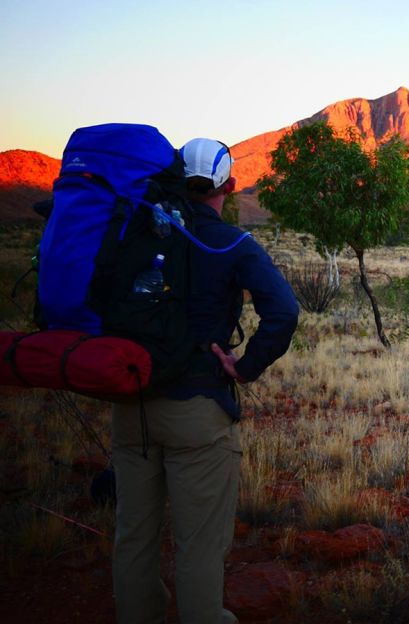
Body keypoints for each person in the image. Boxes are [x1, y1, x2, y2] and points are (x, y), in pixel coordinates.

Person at [111, 138, 299, 624]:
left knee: (133, 534)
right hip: (198, 409)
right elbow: (283, 311)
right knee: (197, 544)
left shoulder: (137, 235)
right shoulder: (233, 243)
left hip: (131, 406)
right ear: (229, 186)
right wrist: (246, 365)